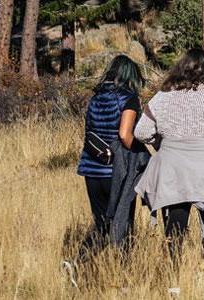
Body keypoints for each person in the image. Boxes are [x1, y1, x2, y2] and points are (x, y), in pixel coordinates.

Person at [133, 49, 204, 281]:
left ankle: (173, 277)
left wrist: (162, 143)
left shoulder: (162, 96)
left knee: (176, 221)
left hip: (172, 167)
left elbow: (141, 131)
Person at [67, 55, 150, 282]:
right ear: (130, 76)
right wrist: (143, 151)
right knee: (123, 221)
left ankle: (78, 263)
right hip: (118, 170)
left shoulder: (95, 98)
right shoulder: (129, 98)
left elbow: (91, 132)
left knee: (102, 222)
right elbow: (125, 135)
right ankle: (124, 274)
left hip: (92, 167)